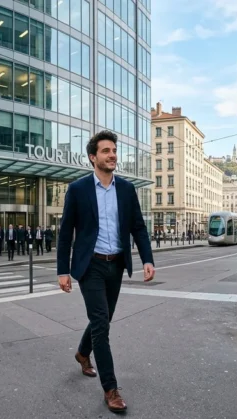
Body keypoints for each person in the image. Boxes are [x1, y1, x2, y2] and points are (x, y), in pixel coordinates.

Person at [57, 130, 155, 413]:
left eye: (114, 150)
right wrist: (63, 270)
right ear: (93, 157)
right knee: (101, 323)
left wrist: (147, 258)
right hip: (91, 265)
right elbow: (66, 233)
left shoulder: (126, 189)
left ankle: (82, 353)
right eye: (106, 151)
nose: (112, 155)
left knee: (104, 319)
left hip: (117, 263)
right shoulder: (77, 190)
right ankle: (110, 389)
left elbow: (138, 226)